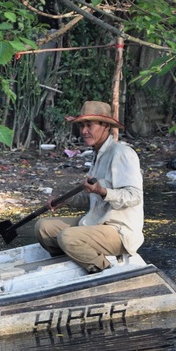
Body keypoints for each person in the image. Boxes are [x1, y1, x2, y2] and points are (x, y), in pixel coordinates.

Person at [34, 101, 144, 273]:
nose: (84, 131)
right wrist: (64, 200)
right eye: (82, 126)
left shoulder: (122, 154)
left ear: (106, 126)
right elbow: (91, 197)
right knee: (43, 228)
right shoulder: (97, 154)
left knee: (67, 237)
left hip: (119, 232)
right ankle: (72, 264)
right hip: (96, 223)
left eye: (89, 125)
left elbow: (134, 196)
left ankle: (105, 271)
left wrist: (102, 191)